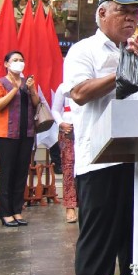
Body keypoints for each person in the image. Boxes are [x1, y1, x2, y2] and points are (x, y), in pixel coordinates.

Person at [64, 0, 138, 275]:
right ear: (102, 12)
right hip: (101, 162)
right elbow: (79, 93)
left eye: (135, 13)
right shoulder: (83, 50)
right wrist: (120, 72)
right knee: (98, 245)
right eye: (123, 11)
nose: (131, 19)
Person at [0, 50, 40, 228]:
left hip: (26, 134)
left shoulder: (28, 83)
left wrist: (31, 89)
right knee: (8, 173)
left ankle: (17, 210)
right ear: (6, 64)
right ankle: (6, 213)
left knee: (21, 173)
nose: (19, 63)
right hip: (6, 135)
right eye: (15, 60)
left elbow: (36, 105)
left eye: (21, 60)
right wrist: (15, 89)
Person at [52, 83, 79, 223]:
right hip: (68, 129)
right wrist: (61, 123)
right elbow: (55, 110)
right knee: (68, 167)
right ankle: (70, 206)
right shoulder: (63, 87)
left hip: (87, 127)